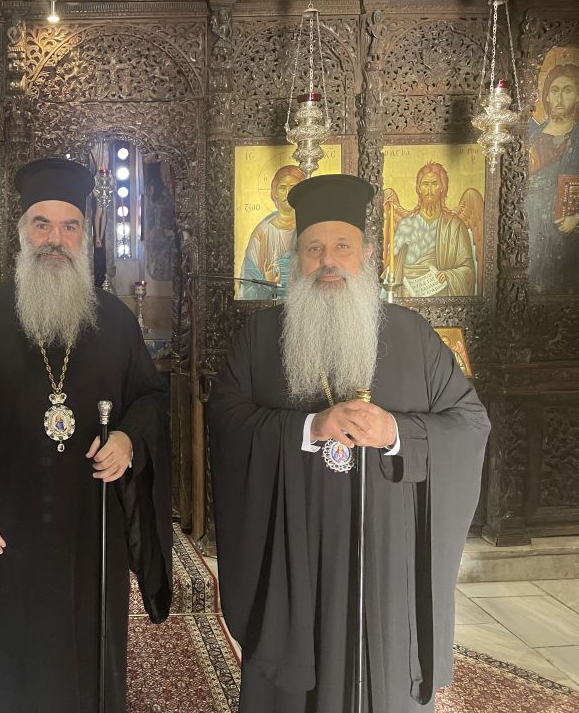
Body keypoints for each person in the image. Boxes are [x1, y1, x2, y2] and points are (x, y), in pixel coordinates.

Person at [208, 174, 490, 713]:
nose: (328, 262)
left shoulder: (412, 335)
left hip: (385, 560)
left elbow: (470, 423)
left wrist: (397, 434)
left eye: (343, 247)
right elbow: (226, 420)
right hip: (294, 560)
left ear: (368, 258)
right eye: (314, 249)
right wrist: (309, 429)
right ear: (296, 260)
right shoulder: (261, 339)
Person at [0, 158, 172, 713]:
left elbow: (150, 398)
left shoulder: (115, 321)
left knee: (89, 657)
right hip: (6, 522)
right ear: (23, 233)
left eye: (69, 227)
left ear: (85, 236)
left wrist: (127, 441)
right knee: (11, 665)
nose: (55, 239)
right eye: (42, 224)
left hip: (92, 526)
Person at [527, 60, 579, 293]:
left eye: (567, 91)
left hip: (566, 233)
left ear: (577, 97)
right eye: (554, 90)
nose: (559, 98)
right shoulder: (532, 138)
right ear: (546, 96)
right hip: (533, 227)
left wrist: (576, 218)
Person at [391, 162, 477, 297]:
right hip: (409, 295)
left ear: (443, 188)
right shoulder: (407, 223)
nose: (429, 190)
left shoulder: (455, 226)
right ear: (418, 189)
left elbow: (468, 271)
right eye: (425, 184)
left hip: (442, 296)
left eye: (435, 184)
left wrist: (448, 275)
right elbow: (391, 264)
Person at [238, 164, 306, 299]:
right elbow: (249, 280)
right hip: (270, 302)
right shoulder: (263, 231)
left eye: (293, 188)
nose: (288, 193)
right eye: (283, 188)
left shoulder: (310, 227)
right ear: (275, 193)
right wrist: (268, 284)